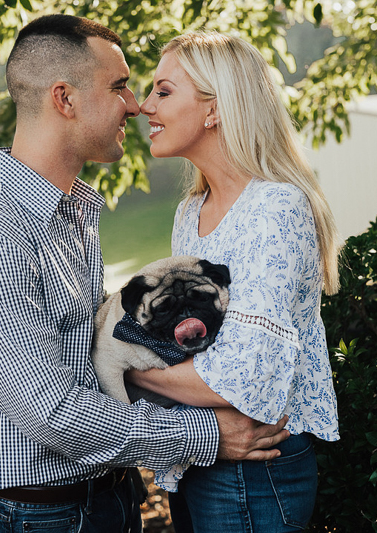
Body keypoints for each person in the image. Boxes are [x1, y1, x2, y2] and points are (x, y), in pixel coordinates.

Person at [0, 16, 290, 533]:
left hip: (106, 500)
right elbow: (52, 415)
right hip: (35, 517)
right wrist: (206, 434)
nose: (135, 105)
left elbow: (96, 356)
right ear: (64, 99)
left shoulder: (68, 214)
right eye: (119, 86)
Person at [129, 31, 342, 532]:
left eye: (163, 91)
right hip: (197, 457)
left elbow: (241, 379)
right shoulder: (190, 212)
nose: (143, 105)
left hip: (254, 470)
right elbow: (178, 343)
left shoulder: (276, 208)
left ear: (215, 108)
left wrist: (127, 369)